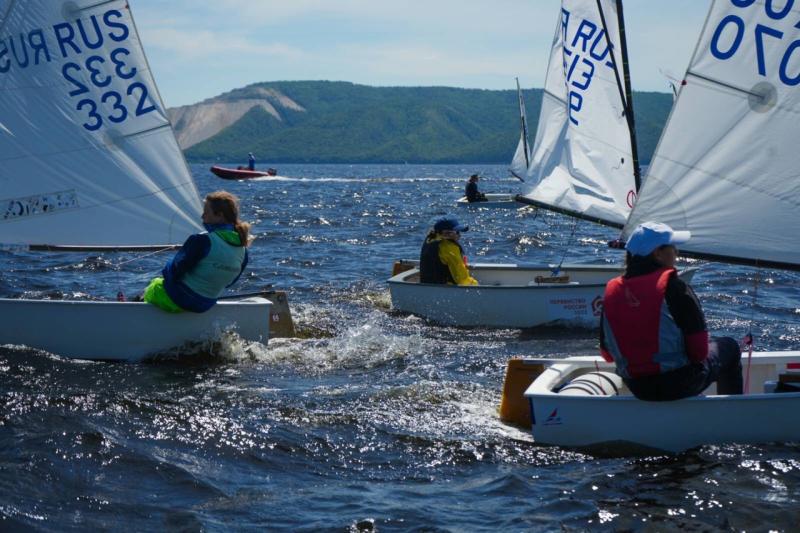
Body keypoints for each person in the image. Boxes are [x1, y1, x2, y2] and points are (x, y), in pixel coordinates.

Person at [599, 221, 743, 401]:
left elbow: (607, 354)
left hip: (637, 387)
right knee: (729, 346)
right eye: (672, 247)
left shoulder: (611, 291)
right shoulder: (675, 287)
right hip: (678, 384)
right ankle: (732, 414)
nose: (676, 252)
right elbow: (699, 353)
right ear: (658, 254)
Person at [143, 191, 250, 313]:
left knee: (154, 285)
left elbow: (174, 271)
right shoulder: (243, 250)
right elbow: (230, 283)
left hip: (181, 299)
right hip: (205, 305)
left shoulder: (202, 240)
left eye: (206, 212)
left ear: (219, 215)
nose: (202, 216)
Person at [419, 217, 478, 286]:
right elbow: (461, 279)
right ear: (447, 233)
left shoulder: (430, 239)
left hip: (427, 285)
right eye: (457, 232)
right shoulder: (449, 248)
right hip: (444, 289)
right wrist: (477, 285)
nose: (459, 235)